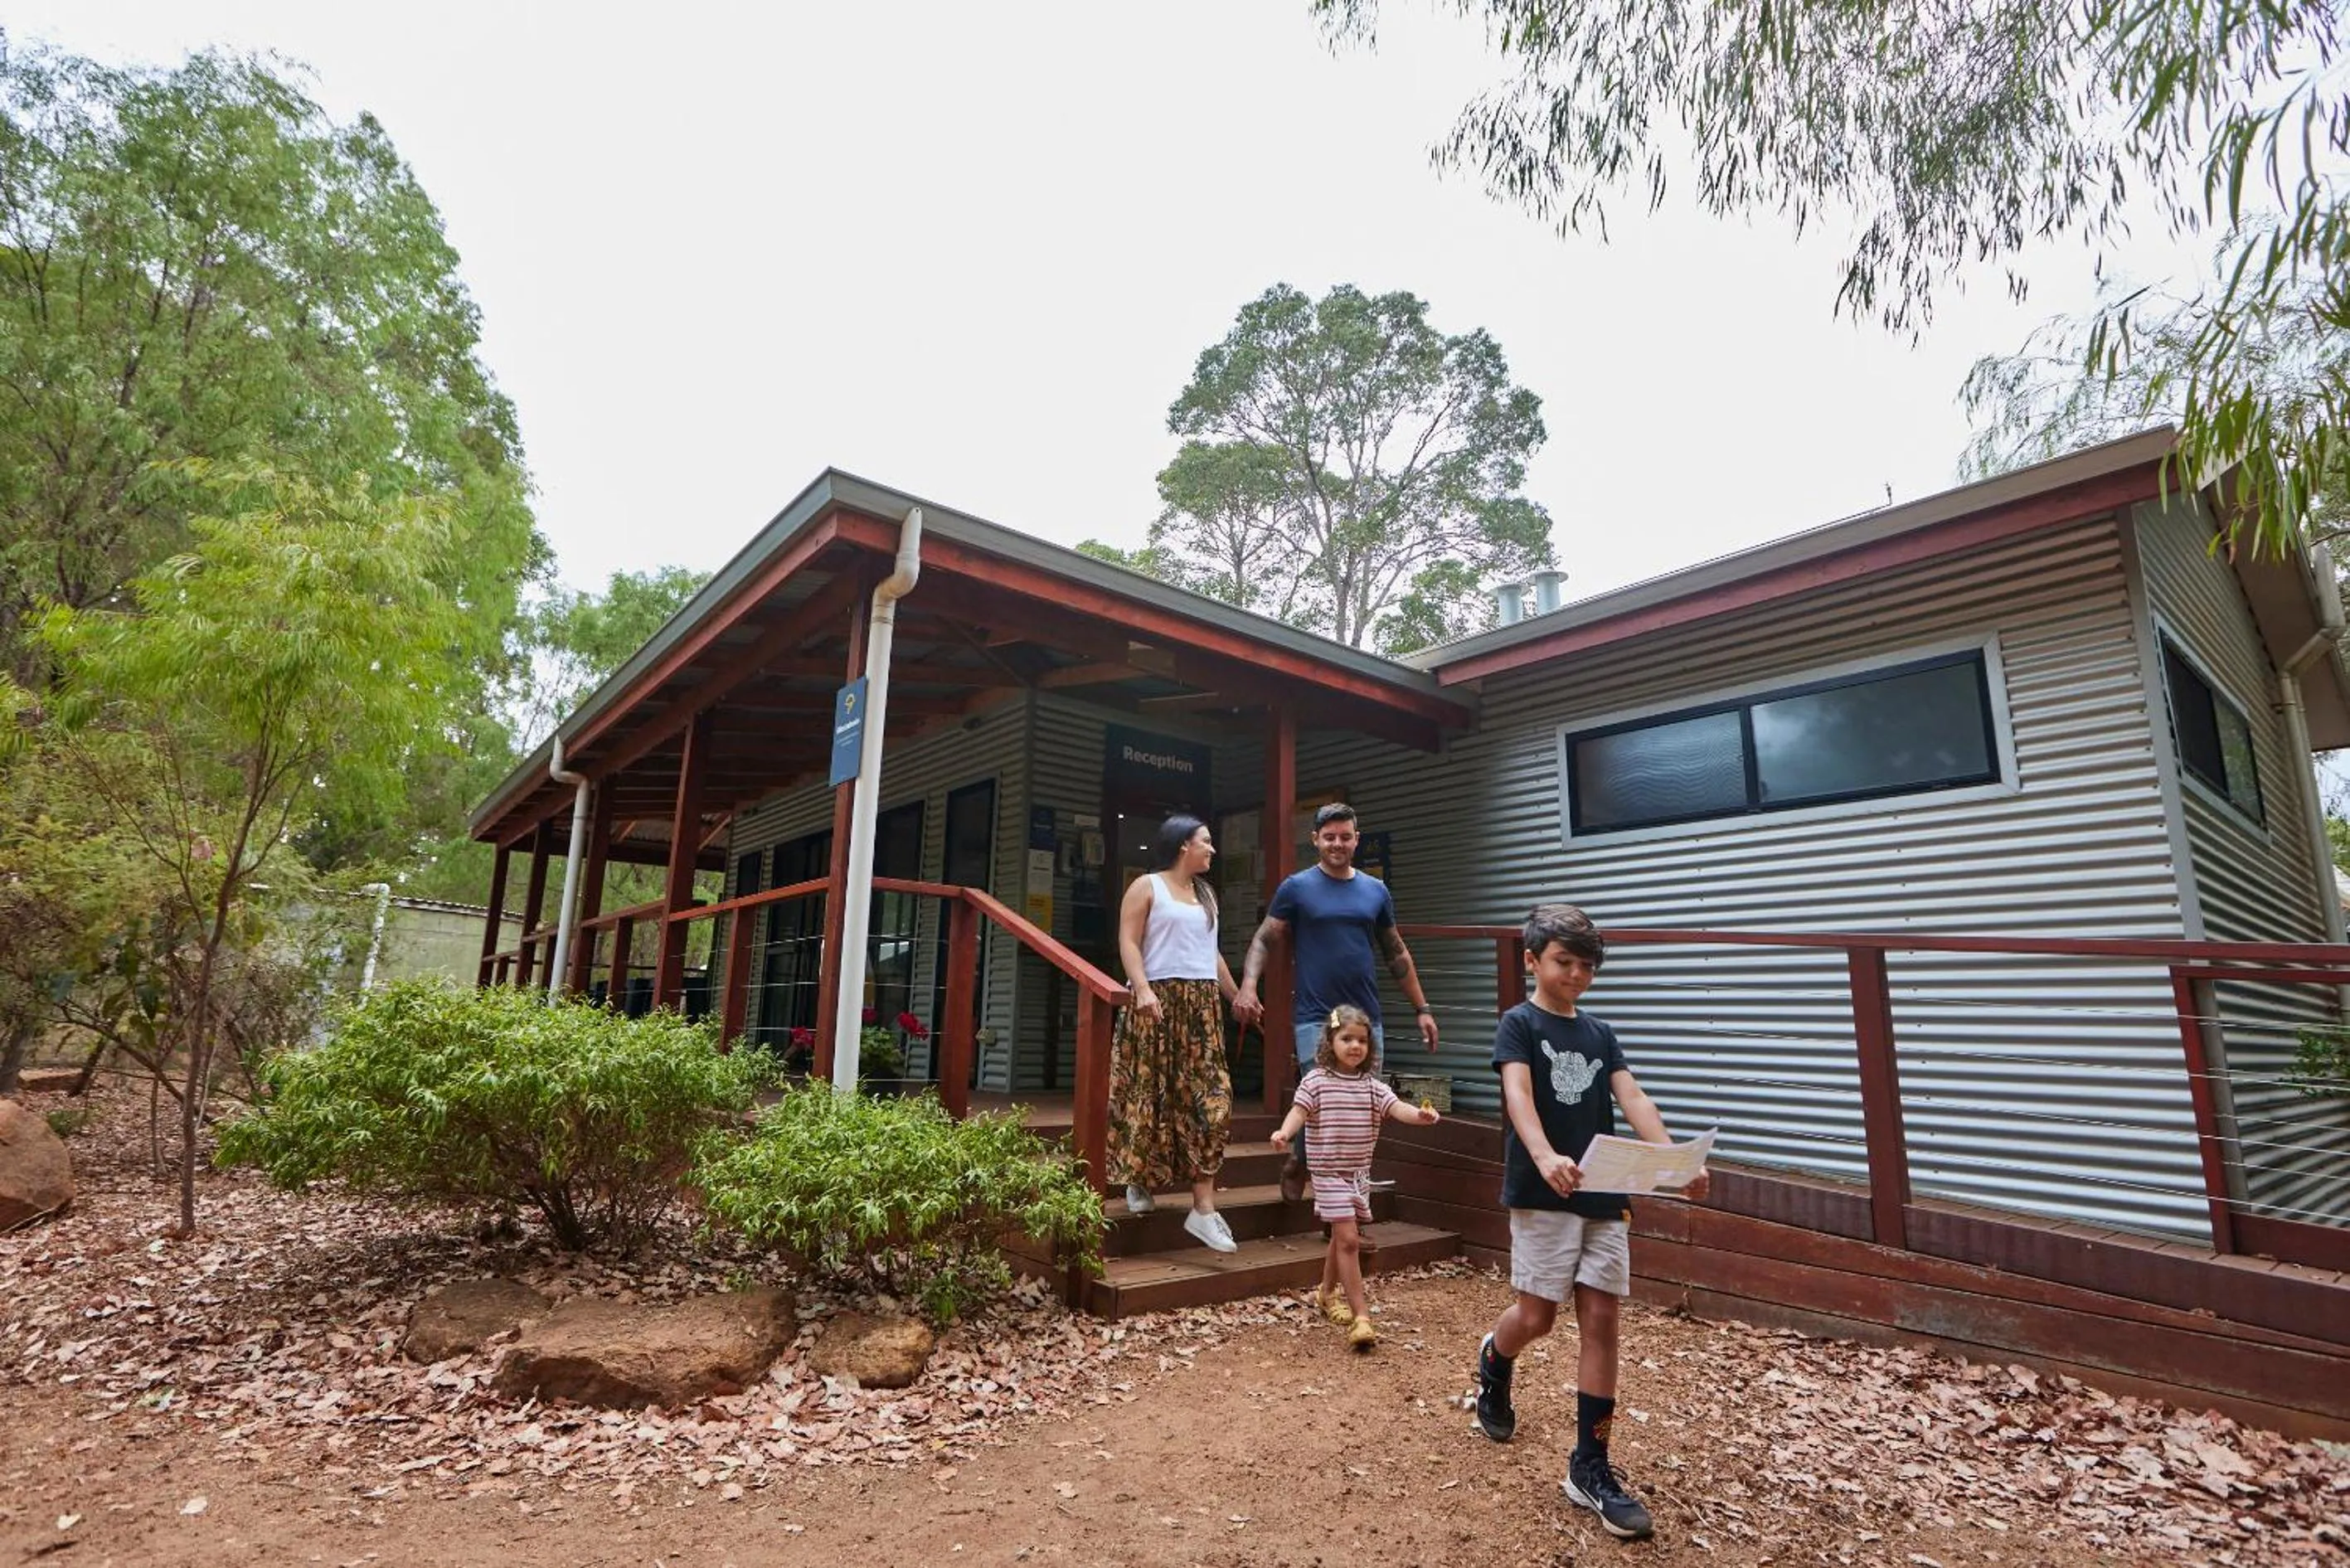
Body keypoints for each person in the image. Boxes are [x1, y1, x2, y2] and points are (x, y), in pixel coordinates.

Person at [1471, 904, 1710, 1542]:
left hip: (1604, 1190)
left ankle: (1590, 1465)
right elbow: (1518, 1094)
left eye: (1586, 965)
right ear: (1533, 960)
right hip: (1544, 1190)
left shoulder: (1601, 1033)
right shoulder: (1519, 1023)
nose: (1576, 974)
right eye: (1563, 961)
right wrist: (1544, 1154)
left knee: (1602, 1317)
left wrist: (1672, 1160)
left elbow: (1633, 1096)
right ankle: (1495, 1357)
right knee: (1538, 1316)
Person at [1233, 803, 1436, 1201]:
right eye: (1329, 837)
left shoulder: (1375, 891)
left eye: (1345, 837)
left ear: (1356, 840)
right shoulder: (1296, 888)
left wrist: (1422, 1008)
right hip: (1316, 1017)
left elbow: (1396, 952)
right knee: (1325, 1099)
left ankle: (1337, 1182)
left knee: (1363, 1104)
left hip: (1365, 1018)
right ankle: (1318, 1183)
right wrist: (1248, 986)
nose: (1337, 844)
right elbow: (1265, 939)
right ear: (1315, 840)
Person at [1106, 813, 1244, 1253]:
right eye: (1206, 841)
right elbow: (1128, 941)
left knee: (1213, 1101)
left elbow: (1211, 952)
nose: (1212, 849)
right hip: (1156, 1000)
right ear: (1184, 844)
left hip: (1201, 1005)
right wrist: (1142, 988)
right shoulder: (1146, 886)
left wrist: (1238, 995)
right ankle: (1138, 1179)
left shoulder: (1206, 893)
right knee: (1149, 1095)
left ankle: (1203, 1209)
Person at [1270, 1004, 1440, 1349]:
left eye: (1362, 1040)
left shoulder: (1371, 1087)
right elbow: (1298, 1111)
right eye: (1346, 1039)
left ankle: (1326, 1293)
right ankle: (1361, 1316)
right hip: (1328, 1172)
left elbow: (1397, 1108)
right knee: (1348, 1239)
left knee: (1340, 1237)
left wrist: (1420, 1116)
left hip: (1358, 1173)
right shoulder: (1316, 1081)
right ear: (1330, 1042)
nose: (1355, 1046)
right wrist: (1285, 1133)